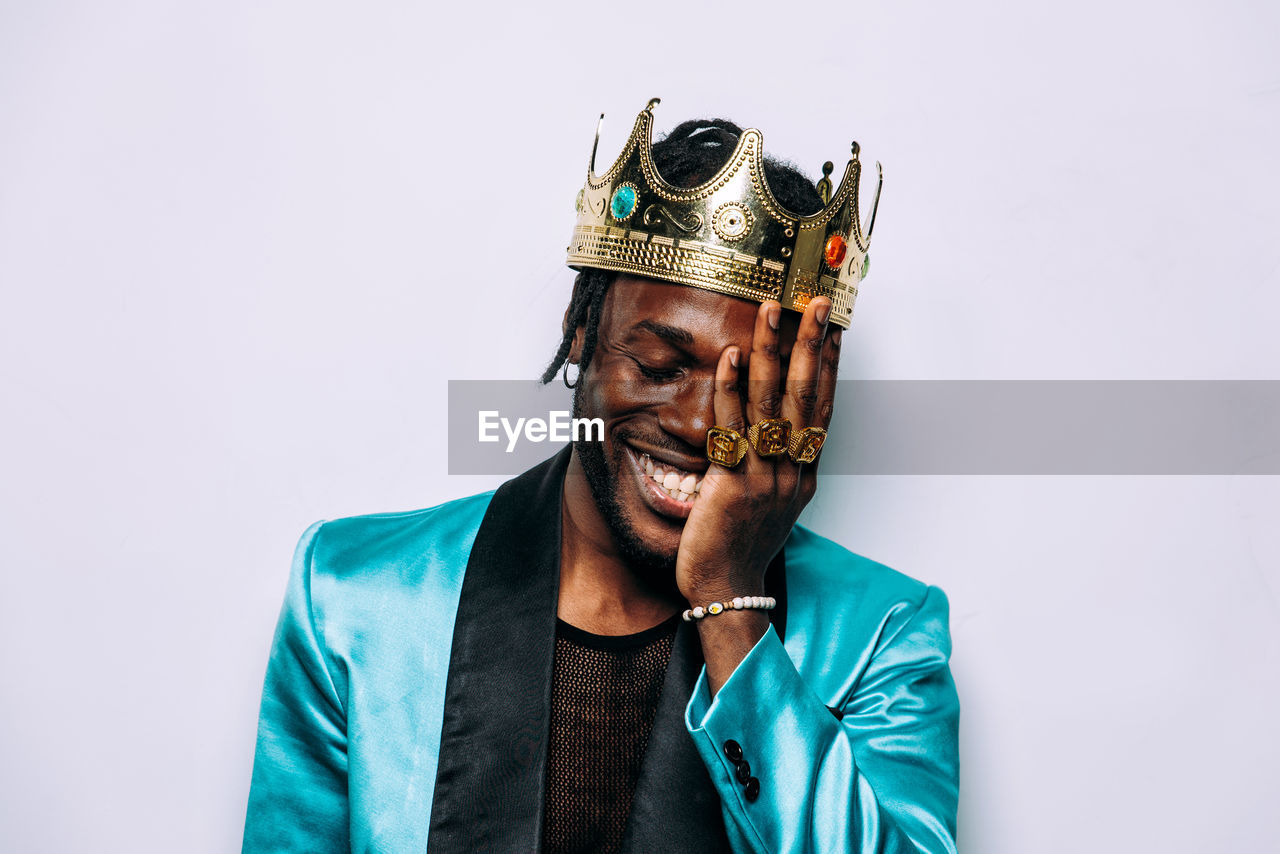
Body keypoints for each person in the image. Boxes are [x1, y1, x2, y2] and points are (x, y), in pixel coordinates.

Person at [243, 99, 960, 854]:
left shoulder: (885, 634)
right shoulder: (353, 598)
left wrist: (730, 602)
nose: (694, 423)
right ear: (581, 329)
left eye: (744, 390)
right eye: (657, 365)